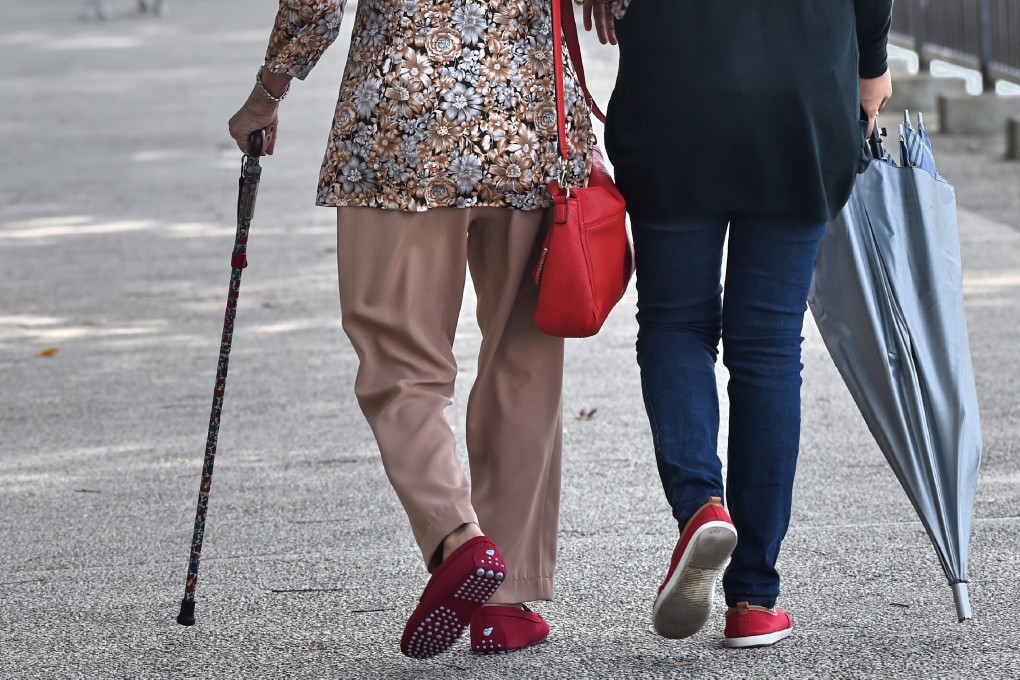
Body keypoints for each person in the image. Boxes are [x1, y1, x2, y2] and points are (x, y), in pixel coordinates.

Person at [228, 0, 595, 660]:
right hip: (529, 123)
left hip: (402, 126)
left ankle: (458, 538)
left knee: (399, 362)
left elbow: (315, 5)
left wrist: (266, 94)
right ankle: (503, 603)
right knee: (525, 359)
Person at [582, 0, 893, 648]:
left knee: (675, 322)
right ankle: (754, 596)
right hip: (803, 88)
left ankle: (701, 505)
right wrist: (872, 61)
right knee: (769, 344)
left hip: (674, 81)